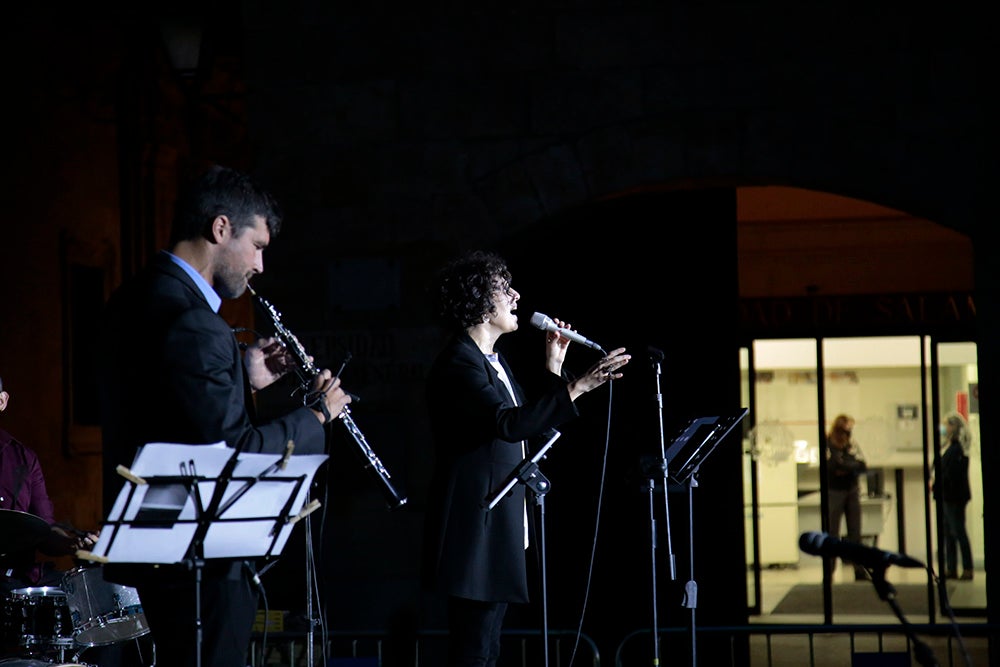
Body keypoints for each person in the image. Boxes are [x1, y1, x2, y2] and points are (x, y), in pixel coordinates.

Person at [97, 164, 353, 667]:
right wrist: (316, 416)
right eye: (256, 245)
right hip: (202, 557)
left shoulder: (132, 299)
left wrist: (242, 374)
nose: (260, 264)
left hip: (153, 541)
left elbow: (164, 402)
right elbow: (232, 453)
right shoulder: (198, 322)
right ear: (220, 229)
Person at [421, 250, 630, 667]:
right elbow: (507, 424)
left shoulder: (491, 363)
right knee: (474, 651)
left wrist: (556, 367)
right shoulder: (459, 363)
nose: (516, 296)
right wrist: (580, 386)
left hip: (499, 526)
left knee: (489, 647)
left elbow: (531, 424)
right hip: (475, 531)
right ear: (479, 301)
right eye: (504, 289)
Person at [1, 374, 98, 656]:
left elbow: (45, 529)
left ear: (2, 402)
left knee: (93, 598)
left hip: (19, 579)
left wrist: (72, 544)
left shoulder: (23, 458)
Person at [931, 411, 974, 580]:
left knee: (958, 531)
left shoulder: (958, 449)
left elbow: (952, 473)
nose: (943, 428)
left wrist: (938, 480)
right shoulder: (945, 446)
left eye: (946, 424)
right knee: (947, 533)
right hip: (944, 495)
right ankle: (951, 567)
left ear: (954, 427)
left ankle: (968, 567)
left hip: (954, 496)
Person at [825, 413, 867, 580]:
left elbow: (862, 465)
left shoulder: (852, 444)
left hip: (852, 490)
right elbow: (833, 465)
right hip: (834, 491)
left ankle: (859, 570)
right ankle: (829, 571)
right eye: (848, 427)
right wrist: (849, 465)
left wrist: (846, 466)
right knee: (832, 533)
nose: (850, 431)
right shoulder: (829, 443)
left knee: (855, 533)